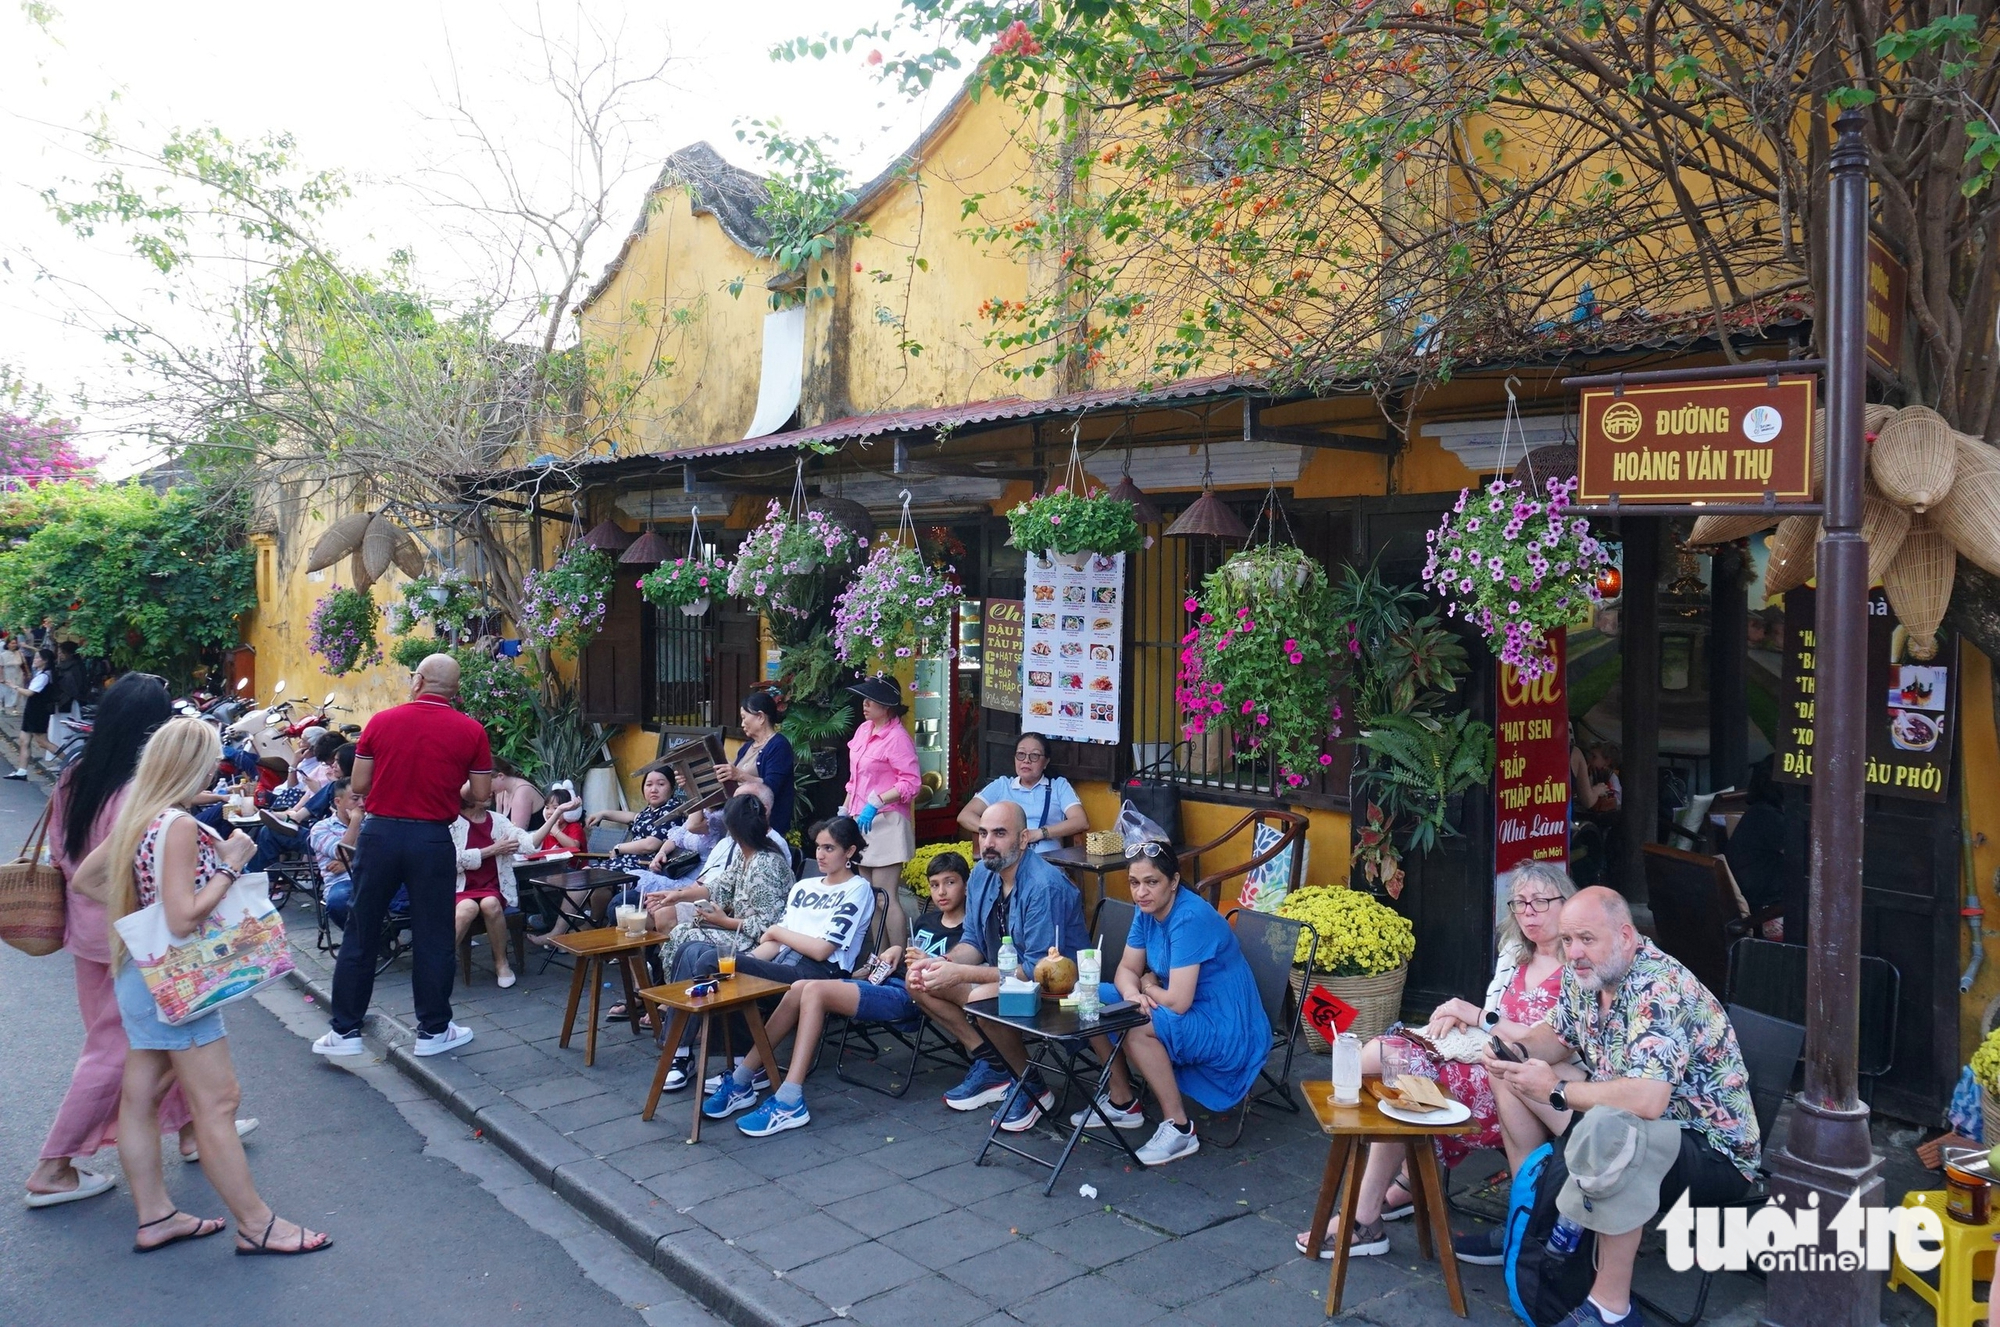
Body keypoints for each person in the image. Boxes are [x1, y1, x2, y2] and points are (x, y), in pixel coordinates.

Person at [71, 717, 330, 1255]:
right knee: (218, 1101)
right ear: (191, 764)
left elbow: (87, 879)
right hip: (179, 987)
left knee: (141, 1098)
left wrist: (140, 908)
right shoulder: (179, 826)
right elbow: (185, 918)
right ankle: (257, 1224)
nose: (218, 767)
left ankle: (156, 1216)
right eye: (211, 759)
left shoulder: (142, 816)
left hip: (141, 977)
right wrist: (230, 867)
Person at [1464, 887, 1759, 1327]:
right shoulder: (1585, 975)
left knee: (1613, 1131)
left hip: (1712, 1152)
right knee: (1512, 1076)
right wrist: (1518, 1051)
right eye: (1567, 940)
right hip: (1629, 1123)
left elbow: (1647, 1099)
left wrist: (1557, 1088)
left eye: (1586, 939)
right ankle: (1528, 1222)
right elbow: (1555, 1037)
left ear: (1625, 936)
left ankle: (1609, 1309)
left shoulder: (1659, 986)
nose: (1575, 952)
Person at [1295, 860, 1579, 1258]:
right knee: (1387, 1058)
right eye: (1519, 903)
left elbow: (1554, 1041)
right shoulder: (1516, 954)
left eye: (1540, 902)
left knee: (1405, 1082)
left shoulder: (1577, 965)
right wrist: (1456, 1019)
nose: (1528, 912)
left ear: (1566, 903)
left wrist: (1476, 1016)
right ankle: (1395, 1190)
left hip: (1522, 1082)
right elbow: (1490, 1020)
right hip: (1484, 1056)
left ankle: (1369, 1213)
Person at [23, 675, 225, 1206]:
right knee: (116, 1050)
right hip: (131, 934)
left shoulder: (76, 773)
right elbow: (133, 865)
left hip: (85, 926)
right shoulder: (137, 790)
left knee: (160, 1033)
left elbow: (70, 856)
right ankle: (53, 1164)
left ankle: (191, 1131)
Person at [312, 653, 494, 1060]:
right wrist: (448, 790)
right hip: (432, 839)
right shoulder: (471, 730)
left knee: (361, 929)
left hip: (380, 834)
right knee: (433, 935)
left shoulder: (381, 721)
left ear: (419, 681)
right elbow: (481, 796)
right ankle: (433, 1031)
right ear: (455, 690)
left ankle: (344, 1032)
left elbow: (359, 783)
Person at [716, 849, 974, 1135]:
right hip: (884, 983)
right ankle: (742, 1079)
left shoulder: (969, 933)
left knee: (813, 990)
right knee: (800, 987)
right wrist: (891, 955)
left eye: (950, 882)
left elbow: (957, 975)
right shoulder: (925, 923)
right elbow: (902, 961)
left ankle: (790, 1100)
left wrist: (926, 961)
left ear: (966, 884)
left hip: (911, 999)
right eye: (935, 884)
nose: (941, 891)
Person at [1063, 839, 1265, 1166]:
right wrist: (1133, 993)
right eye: (1134, 882)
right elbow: (1127, 969)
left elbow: (1178, 1001)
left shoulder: (1189, 916)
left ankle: (1180, 1128)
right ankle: (1123, 1100)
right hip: (1181, 1003)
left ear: (1173, 882)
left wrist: (1147, 984)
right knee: (1088, 998)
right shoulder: (1147, 910)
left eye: (1151, 882)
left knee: (1135, 1025)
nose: (1141, 891)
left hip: (1224, 1022)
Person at [906, 800, 1087, 1131]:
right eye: (984, 833)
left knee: (981, 1001)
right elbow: (973, 942)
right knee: (919, 980)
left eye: (1000, 834)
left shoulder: (1043, 885)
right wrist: (943, 963)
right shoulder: (981, 874)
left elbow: (1037, 969)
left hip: (1059, 991)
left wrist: (960, 974)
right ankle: (993, 1063)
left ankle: (1030, 1083)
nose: (988, 842)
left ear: (1022, 840)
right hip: (1008, 979)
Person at [668, 814, 875, 1096]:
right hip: (783, 962)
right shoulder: (805, 887)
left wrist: (777, 932)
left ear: (849, 851)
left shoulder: (857, 889)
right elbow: (774, 943)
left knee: (712, 963)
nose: (821, 855)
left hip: (816, 974)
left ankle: (738, 1062)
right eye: (818, 847)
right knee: (692, 949)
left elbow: (821, 949)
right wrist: (751, 961)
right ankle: (695, 1052)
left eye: (830, 848)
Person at [653, 794, 798, 1086]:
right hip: (741, 933)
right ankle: (682, 1042)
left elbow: (769, 926)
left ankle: (680, 1041)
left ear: (733, 830)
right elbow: (718, 887)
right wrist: (677, 895)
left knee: (689, 937)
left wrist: (723, 921)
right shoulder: (747, 856)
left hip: (766, 946)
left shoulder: (764, 864)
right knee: (685, 934)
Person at [842, 675, 921, 944]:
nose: (865, 704)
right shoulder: (863, 730)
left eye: (871, 700)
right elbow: (855, 779)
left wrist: (877, 802)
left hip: (887, 822)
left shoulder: (898, 738)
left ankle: (896, 958)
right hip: (861, 821)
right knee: (869, 896)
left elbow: (911, 782)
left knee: (885, 895)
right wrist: (845, 811)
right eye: (864, 698)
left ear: (886, 705)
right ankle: (878, 958)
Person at [957, 731, 1087, 855]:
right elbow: (965, 816)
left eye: (1034, 755)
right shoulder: (1002, 785)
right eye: (1021, 754)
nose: (1026, 760)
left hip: (1047, 861)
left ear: (1046, 762)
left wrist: (1040, 833)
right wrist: (998, 832)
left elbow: (1081, 821)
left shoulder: (1058, 786)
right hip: (1007, 859)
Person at [450, 785, 522, 989]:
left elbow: (525, 841)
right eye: (482, 790)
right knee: (467, 908)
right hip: (460, 888)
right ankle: (440, 965)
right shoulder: (452, 823)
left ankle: (502, 963)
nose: (489, 792)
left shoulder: (497, 820)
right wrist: (491, 850)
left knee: (491, 904)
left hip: (491, 886)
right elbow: (449, 862)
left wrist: (554, 816)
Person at [718, 689, 795, 835]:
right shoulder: (747, 746)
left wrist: (739, 775)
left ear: (760, 717)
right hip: (740, 821)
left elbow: (771, 788)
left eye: (744, 717)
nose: (742, 724)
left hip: (763, 827)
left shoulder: (779, 745)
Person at [311, 779, 364, 929]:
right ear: (338, 802)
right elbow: (342, 853)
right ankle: (361, 939)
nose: (361, 804)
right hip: (342, 882)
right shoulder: (321, 828)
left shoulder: (372, 822)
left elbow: (382, 854)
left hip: (374, 876)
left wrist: (350, 863)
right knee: (338, 902)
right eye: (355, 799)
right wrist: (355, 821)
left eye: (364, 798)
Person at [11, 645, 57, 775]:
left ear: (45, 660)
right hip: (33, 709)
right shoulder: (42, 673)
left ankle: (70, 761)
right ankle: (21, 771)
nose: (35, 660)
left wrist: (14, 686)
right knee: (24, 739)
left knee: (42, 742)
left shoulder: (44, 676)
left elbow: (30, 693)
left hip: (38, 711)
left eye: (38, 658)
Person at [491, 757, 546, 834]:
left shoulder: (522, 792)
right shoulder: (501, 792)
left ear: (501, 776)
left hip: (538, 843)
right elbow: (498, 827)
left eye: (489, 782)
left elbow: (517, 834)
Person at [0, 632, 23, 714]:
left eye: (15, 643)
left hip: (18, 673)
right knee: (7, 691)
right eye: (12, 643)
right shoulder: (3, 655)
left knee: (17, 690)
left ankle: (15, 708)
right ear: (8, 644)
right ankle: (4, 707)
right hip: (8, 673)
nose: (14, 645)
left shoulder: (19, 653)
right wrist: (1, 677)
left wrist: (27, 673)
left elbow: (23, 664)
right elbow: (1, 666)